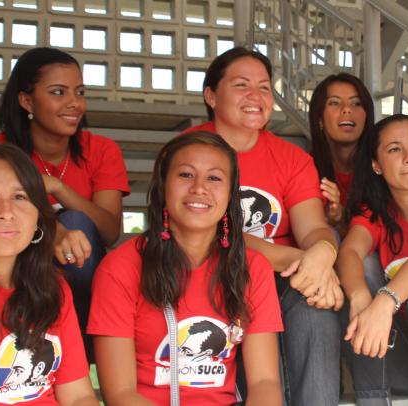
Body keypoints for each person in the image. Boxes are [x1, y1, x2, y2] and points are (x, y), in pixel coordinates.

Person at [182, 47, 342, 406]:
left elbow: (313, 228)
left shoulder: (292, 158)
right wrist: (303, 261)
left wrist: (322, 254)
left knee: (316, 299)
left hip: (285, 276)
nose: (256, 96)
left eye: (265, 87)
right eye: (241, 85)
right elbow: (208, 233)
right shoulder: (186, 152)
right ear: (211, 96)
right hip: (216, 274)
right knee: (288, 278)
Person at [88, 131, 283, 406]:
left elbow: (265, 382)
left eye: (214, 178)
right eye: (186, 175)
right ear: (163, 186)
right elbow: (120, 394)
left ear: (230, 195)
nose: (199, 188)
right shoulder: (119, 269)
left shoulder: (252, 268)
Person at [0, 47, 130, 360]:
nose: (74, 103)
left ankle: (79, 347)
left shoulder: (101, 149)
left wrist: (58, 188)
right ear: (26, 101)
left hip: (80, 276)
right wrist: (52, 229)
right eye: (58, 92)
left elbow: (109, 232)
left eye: (79, 92)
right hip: (19, 266)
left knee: (77, 223)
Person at [0, 143, 99, 406]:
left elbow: (78, 396)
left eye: (20, 197)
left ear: (38, 217)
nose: (6, 212)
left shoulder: (54, 288)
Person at [336, 114, 408, 406]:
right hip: (404, 360)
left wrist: (385, 301)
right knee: (359, 269)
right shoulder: (376, 211)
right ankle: (373, 400)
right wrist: (360, 297)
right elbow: (349, 252)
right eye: (395, 149)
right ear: (376, 164)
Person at [309, 73, 375, 233]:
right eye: (334, 103)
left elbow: (388, 232)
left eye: (356, 103)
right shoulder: (303, 167)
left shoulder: (383, 166)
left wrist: (341, 215)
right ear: (319, 118)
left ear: (366, 116)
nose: (347, 109)